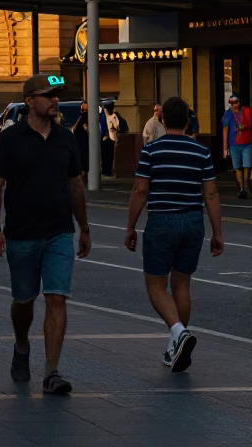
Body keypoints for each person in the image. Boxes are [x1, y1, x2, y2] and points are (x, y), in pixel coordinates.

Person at [0, 73, 91, 396]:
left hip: (59, 230)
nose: (55, 100)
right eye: (49, 95)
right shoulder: (10, 138)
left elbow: (75, 184)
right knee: (24, 300)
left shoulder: (66, 138)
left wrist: (84, 227)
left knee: (57, 297)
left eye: (56, 95)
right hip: (21, 232)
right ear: (30, 101)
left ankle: (51, 372)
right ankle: (21, 344)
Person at [125, 95, 223, 373]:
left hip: (162, 221)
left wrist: (131, 226)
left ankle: (179, 333)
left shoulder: (151, 150)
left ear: (162, 120)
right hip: (193, 221)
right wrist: (217, 232)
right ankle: (175, 348)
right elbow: (211, 194)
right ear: (188, 121)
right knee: (182, 285)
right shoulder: (201, 151)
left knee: (156, 286)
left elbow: (140, 190)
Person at [222, 93, 252, 198]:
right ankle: (242, 189)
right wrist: (224, 149)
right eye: (231, 102)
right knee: (237, 167)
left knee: (247, 166)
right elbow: (225, 131)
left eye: (235, 102)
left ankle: (246, 187)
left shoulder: (247, 111)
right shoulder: (228, 113)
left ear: (240, 102)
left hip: (247, 143)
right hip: (233, 144)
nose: (233, 104)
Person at [101, 101, 119, 177]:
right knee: (106, 156)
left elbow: (116, 126)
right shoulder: (105, 116)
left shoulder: (111, 116)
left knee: (108, 156)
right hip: (106, 138)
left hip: (109, 138)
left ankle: (107, 171)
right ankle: (106, 170)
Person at [72, 103, 89, 183]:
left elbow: (74, 129)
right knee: (84, 158)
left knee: (82, 158)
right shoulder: (85, 116)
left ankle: (83, 176)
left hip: (80, 140)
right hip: (83, 140)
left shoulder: (82, 116)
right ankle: (84, 176)